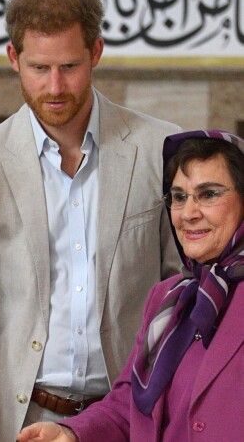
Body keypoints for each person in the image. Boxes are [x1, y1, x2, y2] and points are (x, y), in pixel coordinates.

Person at [0, 0, 182, 441]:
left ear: (96, 52)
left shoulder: (159, 149)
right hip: (8, 418)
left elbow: (179, 285)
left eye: (69, 66)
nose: (54, 86)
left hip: (128, 413)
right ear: (13, 58)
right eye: (39, 67)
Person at [18, 129, 244, 442]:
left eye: (208, 194)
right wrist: (71, 432)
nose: (189, 213)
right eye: (179, 197)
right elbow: (131, 402)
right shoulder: (169, 298)